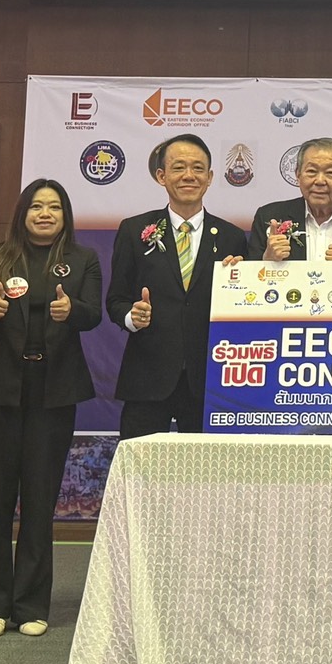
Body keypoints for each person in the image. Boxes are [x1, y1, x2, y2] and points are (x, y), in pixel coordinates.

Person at [0, 179, 102, 639]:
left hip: (54, 390)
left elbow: (93, 314)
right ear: (23, 213)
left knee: (40, 501)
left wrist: (71, 310)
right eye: (37, 206)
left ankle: (31, 605)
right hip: (0, 389)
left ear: (65, 215)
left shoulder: (83, 259)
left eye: (54, 207)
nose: (45, 214)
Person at [106, 135, 247, 439]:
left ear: (210, 178)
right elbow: (116, 299)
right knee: (141, 464)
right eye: (179, 167)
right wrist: (132, 317)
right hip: (148, 375)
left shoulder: (232, 237)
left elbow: (244, 307)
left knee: (206, 467)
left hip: (209, 378)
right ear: (161, 176)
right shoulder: (134, 230)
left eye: (198, 168)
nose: (188, 175)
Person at [246, 137, 332, 261]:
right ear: (298, 176)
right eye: (312, 171)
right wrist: (267, 260)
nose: (320, 181)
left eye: (330, 172)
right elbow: (249, 275)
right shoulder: (269, 216)